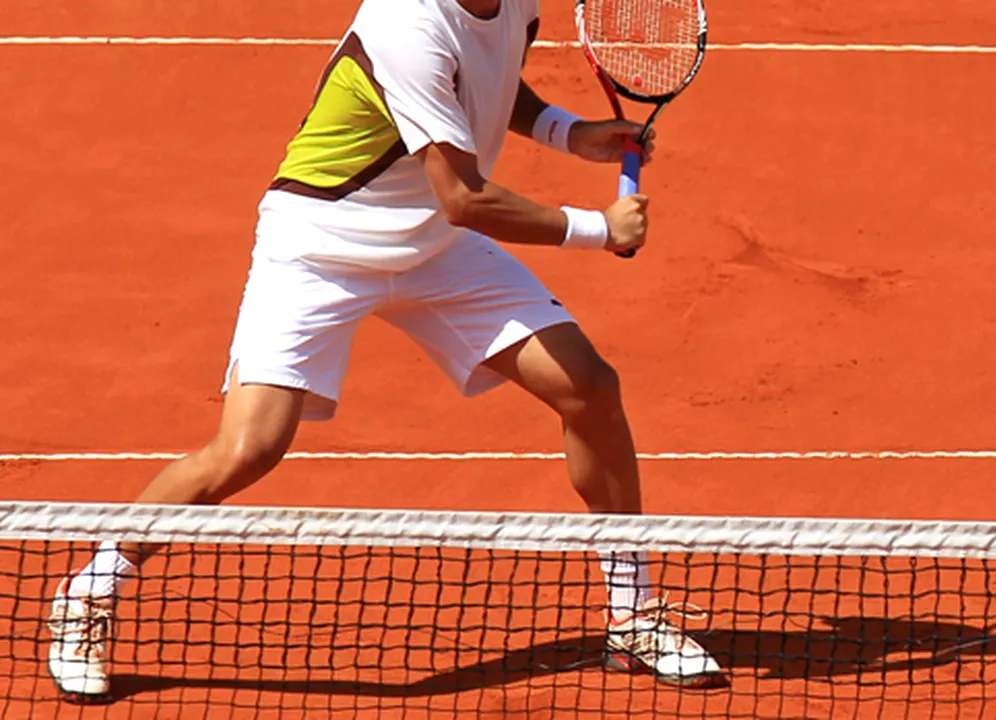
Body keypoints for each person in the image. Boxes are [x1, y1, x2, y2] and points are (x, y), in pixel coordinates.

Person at [46, 0, 723, 702]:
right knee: (248, 447)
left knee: (588, 387)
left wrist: (568, 131)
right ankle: (87, 595)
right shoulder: (408, 23)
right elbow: (464, 196)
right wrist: (595, 228)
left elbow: (487, 84)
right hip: (323, 245)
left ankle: (633, 610)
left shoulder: (515, 5)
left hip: (433, 246)